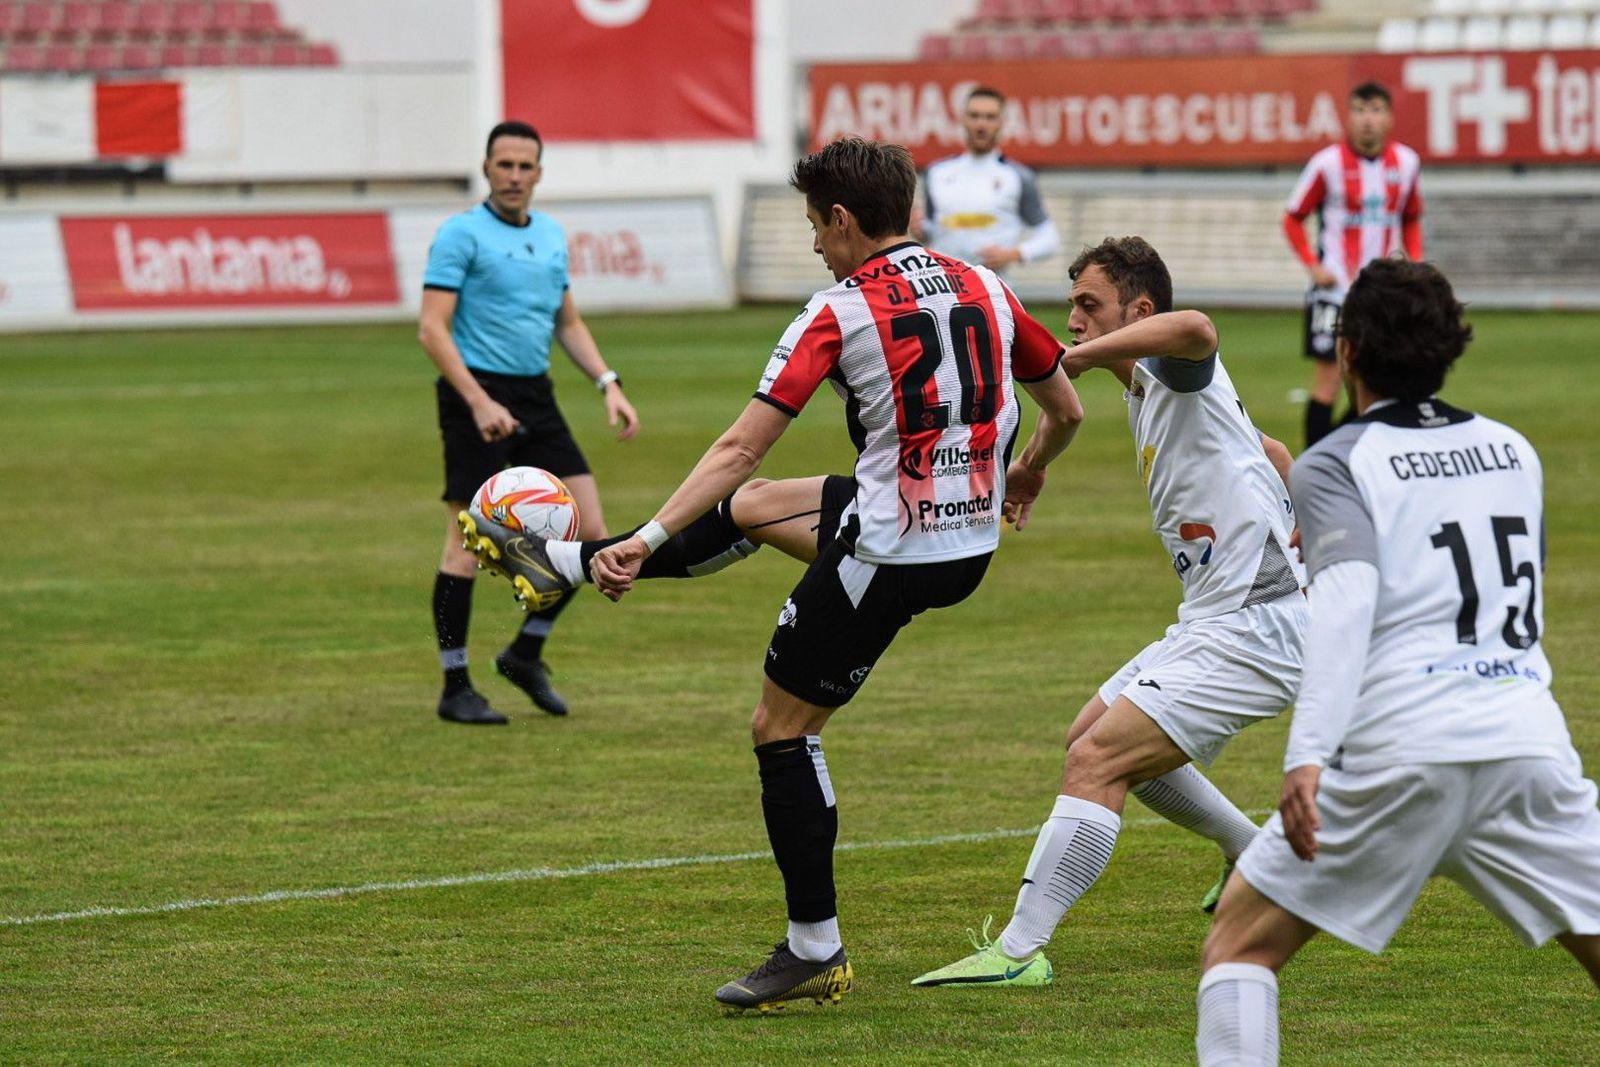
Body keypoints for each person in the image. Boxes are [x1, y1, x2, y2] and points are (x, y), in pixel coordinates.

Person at [462, 137, 1087, 1012]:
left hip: (890, 555)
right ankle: (569, 561)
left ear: (842, 219)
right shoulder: (987, 283)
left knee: (780, 727)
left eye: (815, 228)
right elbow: (1066, 404)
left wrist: (648, 531)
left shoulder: (838, 311)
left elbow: (739, 440)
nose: (815, 246)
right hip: (968, 539)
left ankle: (814, 949)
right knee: (757, 505)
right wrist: (1029, 469)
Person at [1196, 259, 1600, 1066]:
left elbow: (1344, 606)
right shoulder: (1513, 449)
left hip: (1402, 747)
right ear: (1451, 348)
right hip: (1525, 739)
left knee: (1238, 946)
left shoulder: (1335, 460)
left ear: (1344, 352)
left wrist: (1306, 751)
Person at [911, 236, 1305, 989]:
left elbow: (1199, 329)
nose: (1077, 323)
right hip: (1219, 616)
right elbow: (1273, 449)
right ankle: (1255, 853)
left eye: (1090, 307)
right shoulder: (1152, 394)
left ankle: (1020, 951)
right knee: (1091, 733)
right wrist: (1030, 468)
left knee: (1098, 761)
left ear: (1139, 310)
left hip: (1256, 625)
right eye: (1075, 309)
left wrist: (1084, 359)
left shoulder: (1174, 368)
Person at [419, 120, 639, 726]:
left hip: (536, 397)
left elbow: (567, 323)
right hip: (476, 396)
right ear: (486, 168)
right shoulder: (460, 235)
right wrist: (478, 402)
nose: (514, 176)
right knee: (464, 546)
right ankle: (454, 684)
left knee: (590, 530)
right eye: (504, 164)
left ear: (539, 173)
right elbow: (432, 328)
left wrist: (607, 382)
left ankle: (525, 651)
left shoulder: (549, 235)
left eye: (525, 166)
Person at [1283, 81, 1423, 449]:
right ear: (1349, 117)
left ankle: (1335, 452)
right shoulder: (1327, 164)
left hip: (1380, 292)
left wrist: (1416, 263)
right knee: (1329, 380)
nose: (1367, 120)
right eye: (1360, 111)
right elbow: (1292, 217)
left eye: (1375, 110)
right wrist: (1314, 267)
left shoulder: (1406, 163)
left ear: (1389, 118)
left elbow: (1410, 217)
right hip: (1334, 291)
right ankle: (1313, 468)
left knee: (1380, 380)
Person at [916, 85, 1060, 274]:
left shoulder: (1017, 176)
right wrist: (919, 229)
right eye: (974, 116)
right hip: (943, 287)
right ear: (963, 120)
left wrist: (1014, 254)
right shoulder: (936, 173)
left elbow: (1050, 239)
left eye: (990, 117)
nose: (981, 124)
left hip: (993, 289)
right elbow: (932, 231)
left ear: (1002, 122)